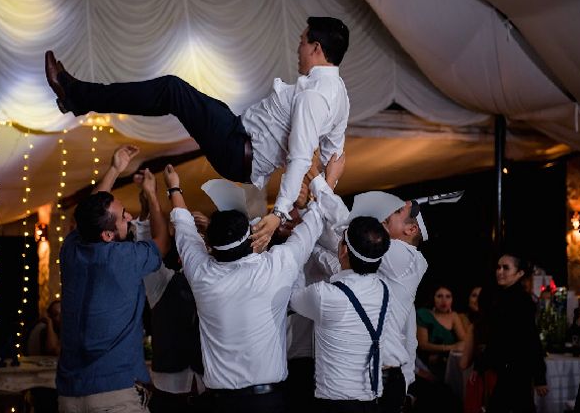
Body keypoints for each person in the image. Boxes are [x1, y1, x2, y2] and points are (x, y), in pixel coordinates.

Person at [45, 16, 350, 250]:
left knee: (171, 90)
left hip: (237, 150)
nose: (298, 47)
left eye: (301, 41)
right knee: (178, 92)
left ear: (316, 48)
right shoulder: (339, 95)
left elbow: (300, 156)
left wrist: (280, 213)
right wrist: (322, 186)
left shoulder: (315, 96)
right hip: (237, 132)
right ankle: (77, 97)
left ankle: (76, 95)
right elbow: (333, 156)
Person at [164, 163, 326, 413]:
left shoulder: (201, 273)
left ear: (211, 244)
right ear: (250, 237)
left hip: (220, 403)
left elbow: (184, 228)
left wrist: (174, 187)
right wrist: (325, 184)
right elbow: (312, 226)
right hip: (267, 402)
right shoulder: (275, 266)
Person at [56, 145, 169, 413]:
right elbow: (161, 243)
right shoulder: (122, 258)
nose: (128, 216)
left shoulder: (70, 250)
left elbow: (87, 213)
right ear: (107, 235)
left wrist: (115, 168)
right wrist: (152, 196)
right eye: (122, 217)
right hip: (113, 396)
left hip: (69, 394)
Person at [306, 179, 428, 412]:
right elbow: (339, 254)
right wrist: (305, 240)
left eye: (396, 212)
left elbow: (349, 230)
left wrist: (320, 182)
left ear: (410, 230)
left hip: (384, 377)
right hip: (365, 377)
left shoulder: (407, 257)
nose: (385, 213)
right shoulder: (380, 264)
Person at [290, 215, 391, 413]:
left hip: (335, 405)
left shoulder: (325, 296)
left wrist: (300, 244)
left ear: (343, 250)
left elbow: (291, 295)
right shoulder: (384, 288)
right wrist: (312, 247)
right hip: (372, 401)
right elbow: (341, 268)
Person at [130, 173, 204, 413]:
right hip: (169, 393)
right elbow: (144, 244)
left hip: (209, 390)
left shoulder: (216, 282)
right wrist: (151, 197)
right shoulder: (163, 283)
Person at [463, 254, 548, 413]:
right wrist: (480, 366)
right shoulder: (503, 297)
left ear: (520, 273)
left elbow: (531, 340)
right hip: (508, 369)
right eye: (498, 267)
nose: (499, 271)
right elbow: (496, 339)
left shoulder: (521, 301)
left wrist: (539, 377)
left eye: (506, 268)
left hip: (517, 370)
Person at [416, 285, 466, 380]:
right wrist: (451, 347)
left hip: (450, 362)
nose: (444, 301)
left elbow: (464, 342)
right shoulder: (423, 314)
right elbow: (423, 345)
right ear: (433, 298)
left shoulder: (454, 316)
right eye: (439, 296)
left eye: (448, 296)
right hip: (427, 364)